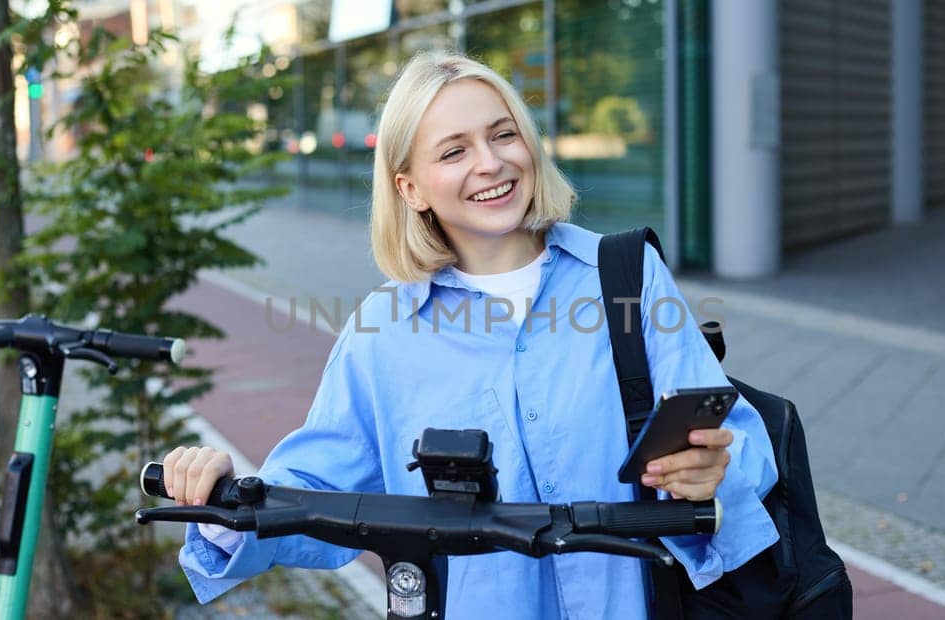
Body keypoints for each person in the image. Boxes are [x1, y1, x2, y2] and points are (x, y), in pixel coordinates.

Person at [163, 50, 780, 619]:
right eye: (453, 151)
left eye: (503, 133)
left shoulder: (625, 277)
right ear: (410, 187)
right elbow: (312, 494)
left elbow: (742, 446)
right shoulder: (383, 333)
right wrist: (219, 501)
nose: (490, 163)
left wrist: (712, 472)